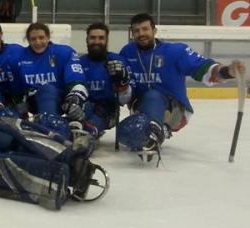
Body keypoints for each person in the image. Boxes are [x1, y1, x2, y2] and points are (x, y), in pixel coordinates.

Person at [117, 13, 246, 161]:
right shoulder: (127, 52)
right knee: (125, 133)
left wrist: (227, 72)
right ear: (132, 34)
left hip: (176, 110)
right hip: (142, 109)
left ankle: (153, 136)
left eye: (145, 29)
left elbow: (201, 68)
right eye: (136, 31)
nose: (141, 34)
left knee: (154, 95)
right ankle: (159, 131)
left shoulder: (175, 52)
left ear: (154, 31)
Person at [13, 22, 89, 141]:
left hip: (63, 103)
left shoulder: (64, 53)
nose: (38, 42)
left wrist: (74, 101)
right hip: (33, 104)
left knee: (87, 106)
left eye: (41, 37)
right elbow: (15, 86)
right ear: (27, 40)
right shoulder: (18, 57)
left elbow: (77, 81)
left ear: (48, 37)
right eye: (33, 39)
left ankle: (61, 127)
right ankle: (50, 129)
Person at [79, 22, 132, 139]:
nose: (97, 41)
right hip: (83, 108)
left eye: (101, 38)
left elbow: (124, 100)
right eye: (93, 38)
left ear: (107, 40)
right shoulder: (78, 62)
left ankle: (91, 132)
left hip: (106, 112)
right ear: (87, 39)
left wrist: (122, 83)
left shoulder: (117, 61)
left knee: (87, 131)